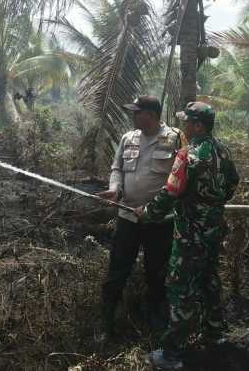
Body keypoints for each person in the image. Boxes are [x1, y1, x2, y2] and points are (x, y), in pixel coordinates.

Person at [135, 101, 239, 370]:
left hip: (189, 235)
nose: (184, 126)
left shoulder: (188, 155)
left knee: (181, 288)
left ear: (198, 125)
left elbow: (171, 193)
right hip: (213, 231)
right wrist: (211, 206)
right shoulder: (222, 152)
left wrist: (147, 212)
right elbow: (232, 183)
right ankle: (215, 333)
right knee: (209, 279)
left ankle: (171, 353)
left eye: (187, 122)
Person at [97, 95, 181, 336]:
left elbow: (179, 179)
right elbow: (117, 169)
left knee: (156, 271)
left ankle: (155, 317)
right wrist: (116, 189)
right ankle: (107, 318)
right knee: (118, 268)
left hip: (158, 220)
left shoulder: (174, 138)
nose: (132, 116)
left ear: (151, 115)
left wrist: (156, 207)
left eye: (137, 112)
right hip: (127, 217)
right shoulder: (128, 138)